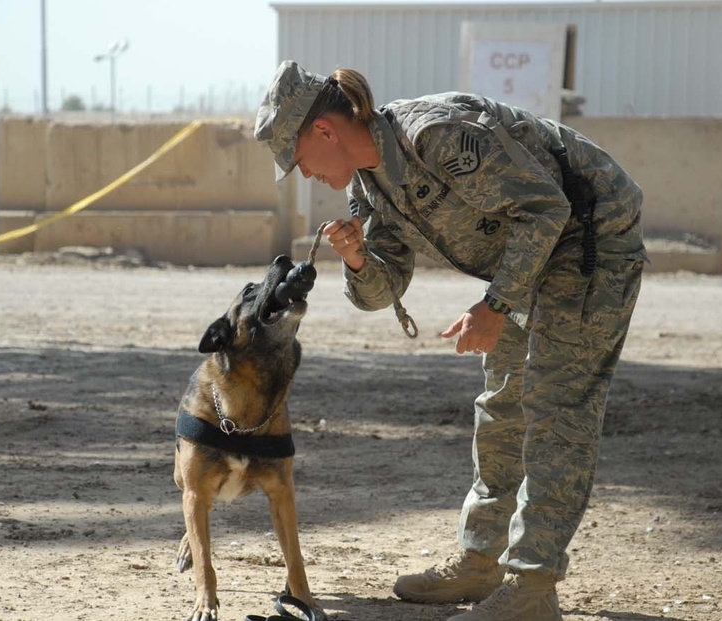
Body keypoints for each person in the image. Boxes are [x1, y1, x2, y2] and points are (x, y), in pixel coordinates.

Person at [254, 60, 646, 621]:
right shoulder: (370, 184)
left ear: (324, 131)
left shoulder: (434, 135)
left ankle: (533, 586)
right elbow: (382, 290)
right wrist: (359, 259)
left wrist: (496, 305)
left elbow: (547, 207)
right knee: (503, 405)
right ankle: (481, 561)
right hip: (528, 259)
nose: (303, 173)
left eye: (297, 159)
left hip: (590, 238)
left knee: (559, 407)